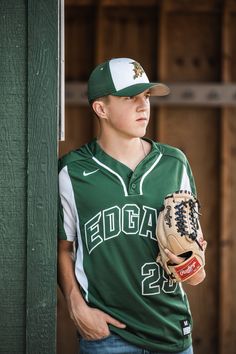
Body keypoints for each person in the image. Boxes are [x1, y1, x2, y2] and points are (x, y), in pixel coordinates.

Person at [58, 57, 206, 354]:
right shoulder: (72, 171)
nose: (143, 105)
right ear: (101, 109)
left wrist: (191, 262)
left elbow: (196, 257)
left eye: (146, 96)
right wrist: (77, 306)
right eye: (130, 97)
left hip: (171, 331)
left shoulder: (174, 164)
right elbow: (63, 248)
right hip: (108, 335)